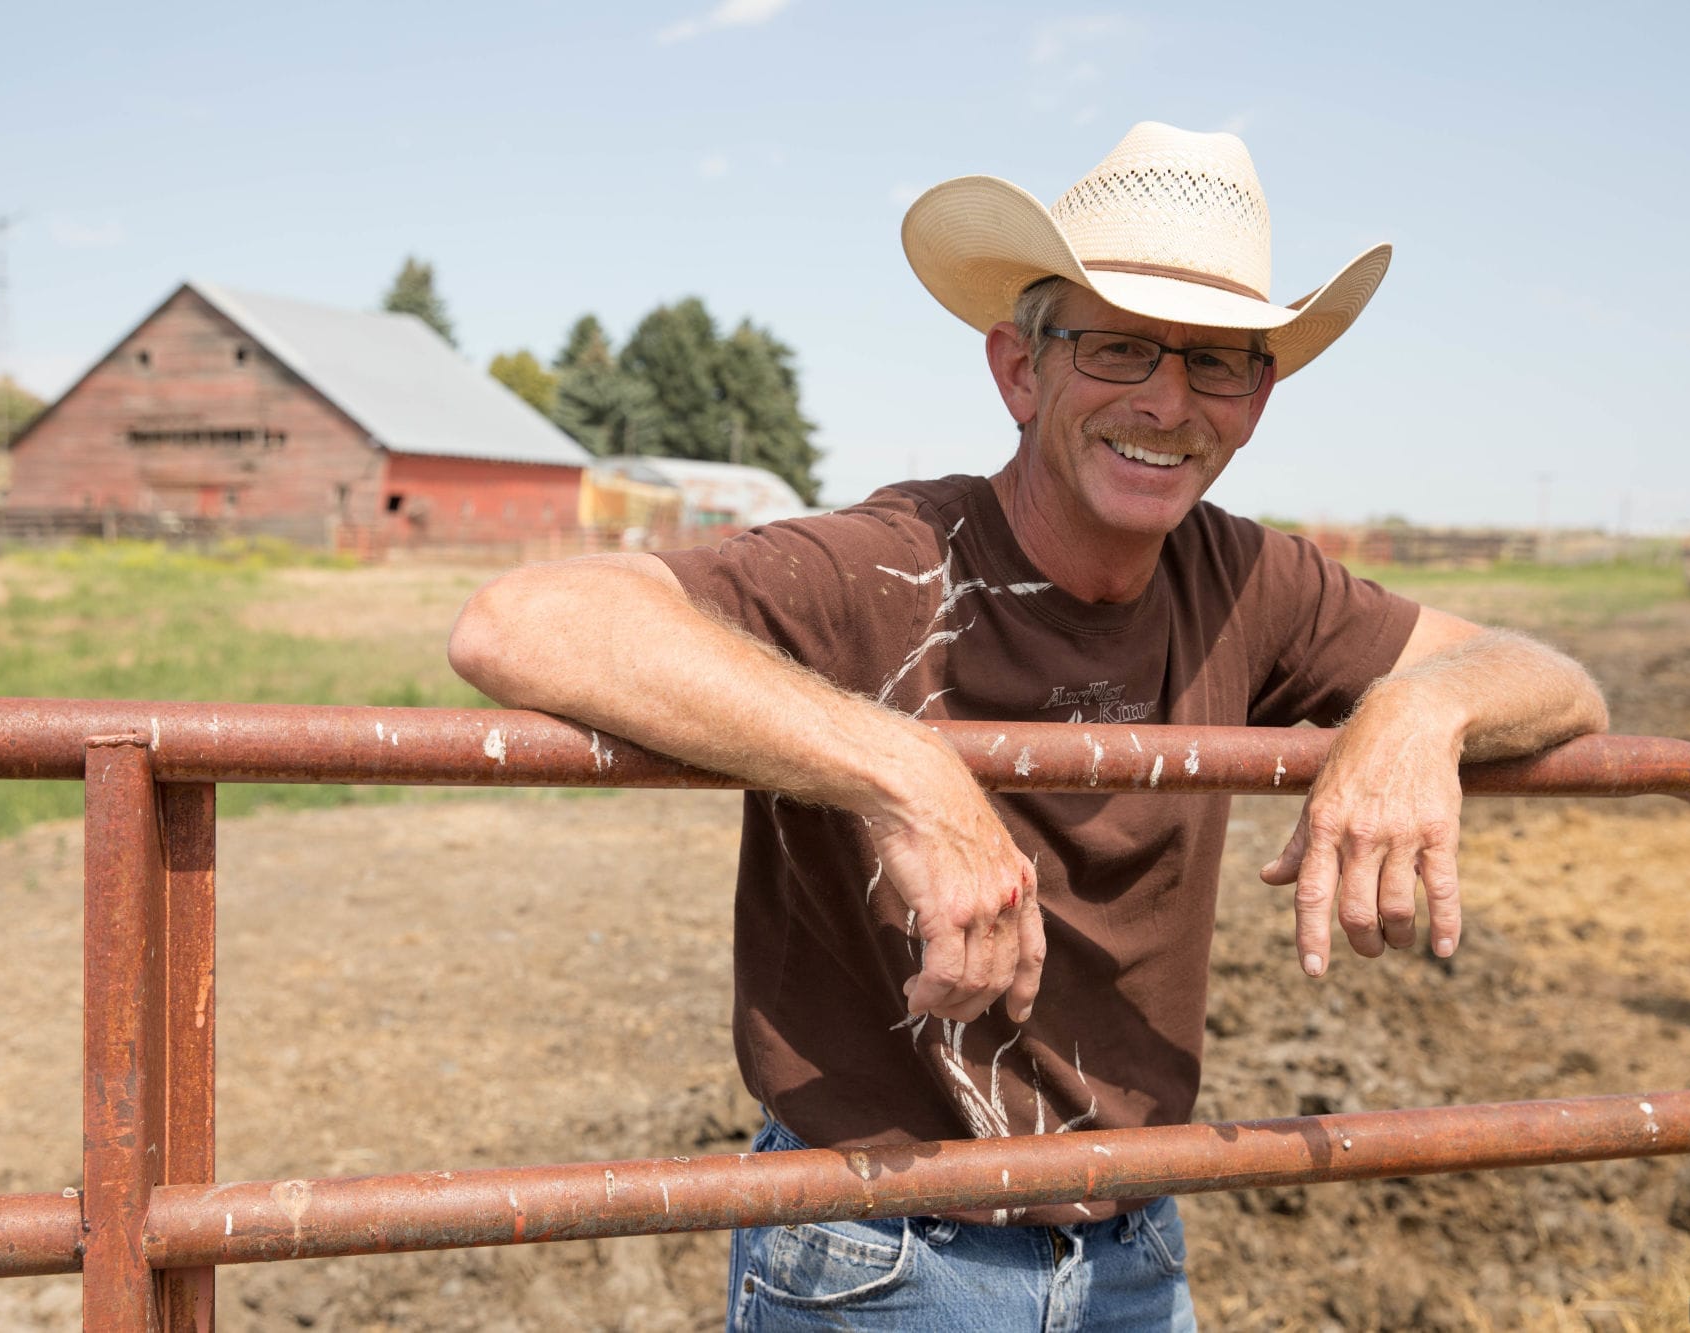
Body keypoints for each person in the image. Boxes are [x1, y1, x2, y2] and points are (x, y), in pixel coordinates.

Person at [448, 121, 1607, 1330]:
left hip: (1136, 1237)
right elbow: (522, 620)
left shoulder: (1248, 581)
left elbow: (1551, 679)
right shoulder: (891, 564)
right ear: (1018, 369)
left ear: (1258, 399)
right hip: (880, 1238)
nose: (1166, 401)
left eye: (1217, 363)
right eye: (1118, 349)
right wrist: (902, 769)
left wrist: (1419, 706)